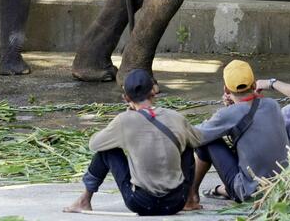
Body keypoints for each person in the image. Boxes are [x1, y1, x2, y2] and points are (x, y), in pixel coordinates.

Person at [64, 69, 202, 216]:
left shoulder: (124, 120)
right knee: (188, 146)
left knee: (107, 150)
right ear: (154, 91)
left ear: (126, 98)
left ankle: (84, 200)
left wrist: (125, 135)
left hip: (141, 204)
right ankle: (190, 200)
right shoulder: (176, 117)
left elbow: (94, 144)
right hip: (176, 202)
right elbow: (198, 139)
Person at [189, 60, 289, 204]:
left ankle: (190, 196)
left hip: (252, 193)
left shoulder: (229, 114)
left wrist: (225, 111)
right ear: (254, 85)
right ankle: (221, 189)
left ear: (226, 90)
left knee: (206, 141)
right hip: (281, 189)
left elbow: (196, 134)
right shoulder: (273, 105)